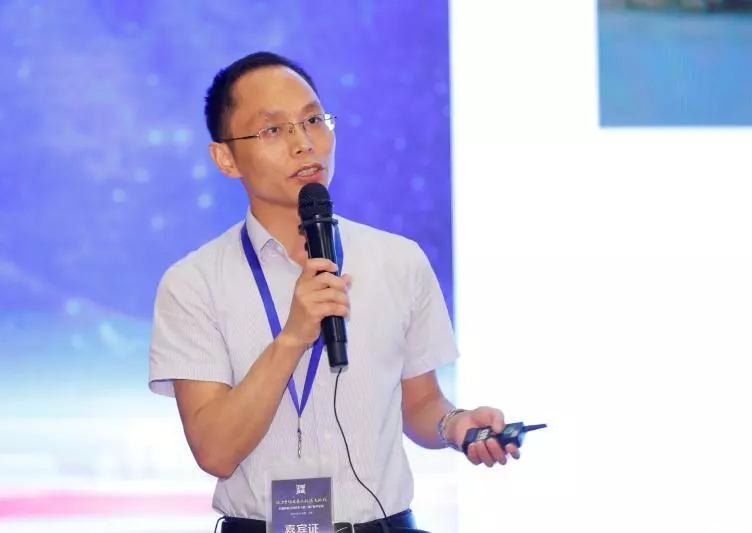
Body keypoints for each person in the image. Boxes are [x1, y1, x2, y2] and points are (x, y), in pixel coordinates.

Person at [148, 51, 520, 533]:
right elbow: (215, 451)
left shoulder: (397, 260)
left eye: (313, 120)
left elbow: (420, 403)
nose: (304, 143)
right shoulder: (193, 283)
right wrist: (292, 337)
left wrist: (457, 426)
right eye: (273, 129)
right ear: (225, 158)